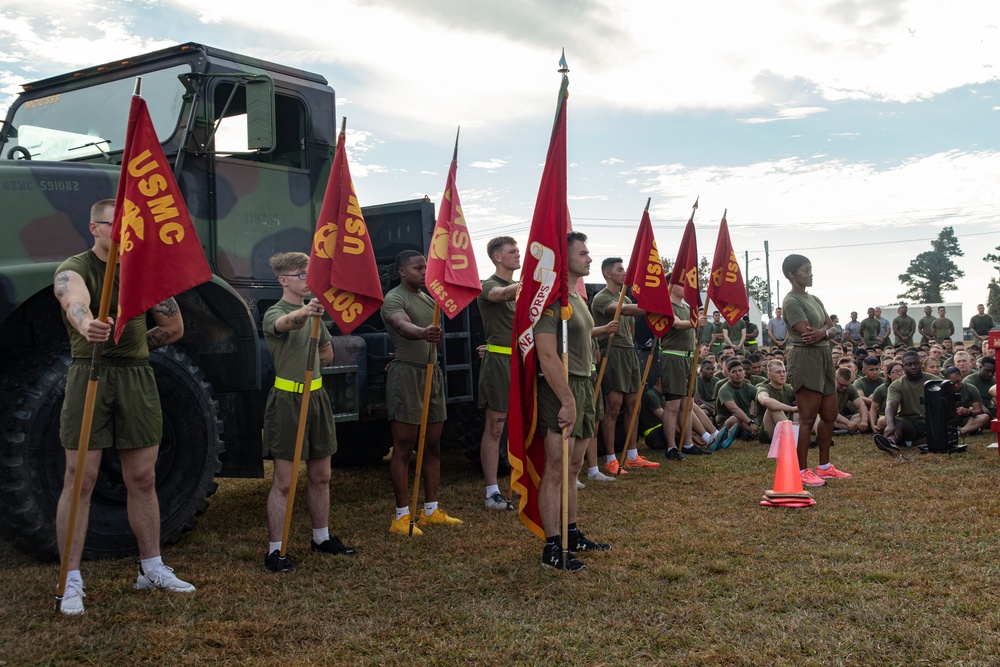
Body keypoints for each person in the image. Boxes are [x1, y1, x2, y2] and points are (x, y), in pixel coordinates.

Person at [52, 199, 193, 615]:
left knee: (143, 477)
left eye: (127, 227)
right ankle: (69, 580)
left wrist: (133, 344)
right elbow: (72, 299)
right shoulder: (73, 267)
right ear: (93, 228)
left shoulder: (143, 269)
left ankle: (151, 568)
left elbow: (173, 327)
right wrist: (87, 324)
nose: (121, 234)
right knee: (81, 478)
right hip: (89, 373)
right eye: (114, 227)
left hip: (136, 376)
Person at [262, 252, 356, 572]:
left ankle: (321, 538)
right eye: (301, 274)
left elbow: (326, 350)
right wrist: (306, 310)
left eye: (309, 273)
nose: (307, 279)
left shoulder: (316, 314)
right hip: (288, 400)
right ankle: (276, 550)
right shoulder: (275, 311)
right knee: (285, 481)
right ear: (283, 280)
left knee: (322, 474)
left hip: (316, 397)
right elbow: (285, 323)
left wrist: (317, 362)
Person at [534, 232, 609, 571]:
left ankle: (572, 531)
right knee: (556, 467)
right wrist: (566, 399)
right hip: (561, 387)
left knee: (574, 467)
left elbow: (577, 335)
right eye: (583, 253)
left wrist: (602, 331)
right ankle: (552, 546)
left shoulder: (577, 298)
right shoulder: (551, 299)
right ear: (565, 260)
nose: (590, 258)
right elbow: (547, 354)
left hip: (584, 381)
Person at [382, 250, 462, 535]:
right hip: (407, 375)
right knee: (404, 447)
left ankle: (430, 510)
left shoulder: (429, 299)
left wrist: (432, 338)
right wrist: (422, 332)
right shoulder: (394, 297)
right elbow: (402, 326)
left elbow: (434, 337)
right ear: (402, 271)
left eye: (425, 268)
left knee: (432, 445)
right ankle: (401, 517)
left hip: (432, 374)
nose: (423, 272)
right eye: (418, 268)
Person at [781, 254, 851, 486]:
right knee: (808, 418)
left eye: (811, 269)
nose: (810, 274)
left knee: (830, 414)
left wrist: (824, 332)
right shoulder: (791, 301)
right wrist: (824, 332)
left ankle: (824, 467)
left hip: (823, 356)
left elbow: (832, 329)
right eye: (805, 270)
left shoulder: (815, 299)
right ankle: (801, 470)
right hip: (805, 358)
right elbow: (806, 332)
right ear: (792, 275)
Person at [592, 257, 659, 473]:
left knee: (634, 404)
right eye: (620, 270)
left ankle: (632, 454)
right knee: (613, 405)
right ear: (607, 274)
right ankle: (611, 458)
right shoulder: (601, 298)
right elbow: (623, 311)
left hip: (630, 352)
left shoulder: (626, 297)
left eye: (625, 269)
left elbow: (630, 329)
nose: (625, 273)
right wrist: (653, 306)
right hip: (613, 352)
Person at [475, 236, 520, 510]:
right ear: (497, 257)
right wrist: (532, 281)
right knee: (495, 427)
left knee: (522, 426)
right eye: (512, 251)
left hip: (523, 361)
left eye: (518, 250)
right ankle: (492, 491)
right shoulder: (489, 285)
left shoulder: (521, 288)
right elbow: (500, 295)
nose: (518, 254)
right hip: (500, 364)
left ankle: (521, 482)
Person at [657, 277, 709, 460]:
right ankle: (671, 446)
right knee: (672, 405)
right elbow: (677, 324)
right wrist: (696, 322)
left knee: (687, 405)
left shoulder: (688, 308)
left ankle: (687, 443)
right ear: (671, 286)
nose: (686, 287)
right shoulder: (667, 306)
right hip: (673, 357)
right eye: (681, 283)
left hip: (688, 359)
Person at [875, 350, 937, 453]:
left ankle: (910, 443)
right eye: (909, 364)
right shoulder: (896, 385)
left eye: (916, 364)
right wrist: (890, 424)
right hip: (909, 423)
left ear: (921, 364)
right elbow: (891, 405)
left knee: (942, 433)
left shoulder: (934, 381)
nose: (913, 367)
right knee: (896, 424)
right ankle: (890, 443)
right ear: (903, 367)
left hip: (930, 422)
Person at [755, 360, 797, 443]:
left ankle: (820, 436)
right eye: (778, 372)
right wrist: (791, 409)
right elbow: (765, 401)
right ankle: (794, 439)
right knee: (773, 408)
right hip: (766, 431)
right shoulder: (764, 388)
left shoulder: (788, 388)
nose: (782, 374)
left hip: (784, 425)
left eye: (784, 371)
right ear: (769, 375)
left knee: (800, 410)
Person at [942, 366, 991, 436]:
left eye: (958, 382)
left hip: (964, 419)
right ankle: (969, 430)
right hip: (947, 420)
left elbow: (978, 410)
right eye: (952, 383)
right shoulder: (940, 390)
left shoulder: (970, 389)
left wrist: (968, 412)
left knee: (984, 417)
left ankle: (959, 432)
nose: (956, 385)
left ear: (961, 377)